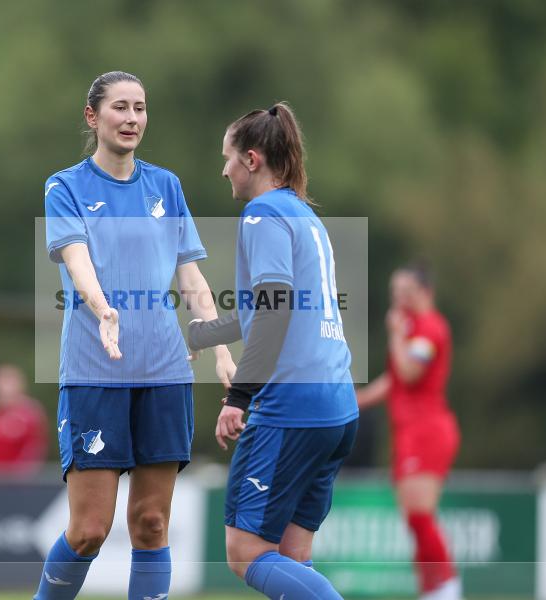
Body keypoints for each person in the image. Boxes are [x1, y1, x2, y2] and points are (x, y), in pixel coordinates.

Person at [35, 70, 235, 600]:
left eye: (140, 108)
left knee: (151, 523)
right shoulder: (65, 186)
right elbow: (77, 262)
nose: (131, 119)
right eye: (120, 108)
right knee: (89, 531)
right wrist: (104, 310)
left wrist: (219, 348)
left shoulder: (165, 186)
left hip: (165, 372)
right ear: (92, 116)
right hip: (95, 371)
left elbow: (190, 277)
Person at [186, 102, 358, 599]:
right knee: (290, 557)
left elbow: (275, 308)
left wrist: (240, 396)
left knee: (245, 553)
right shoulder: (304, 215)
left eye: (229, 158)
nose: (224, 169)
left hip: (293, 408)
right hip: (336, 405)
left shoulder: (261, 214)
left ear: (253, 159)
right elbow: (265, 308)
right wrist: (201, 335)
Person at [355, 263, 461, 600]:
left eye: (406, 293)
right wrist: (356, 400)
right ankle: (431, 588)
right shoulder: (413, 330)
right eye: (395, 294)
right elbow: (394, 381)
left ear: (426, 293)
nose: (399, 300)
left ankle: (446, 585)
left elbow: (410, 372)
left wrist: (397, 333)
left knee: (419, 515)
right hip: (407, 431)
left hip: (428, 430)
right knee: (414, 518)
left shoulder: (429, 329)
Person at [0, 365, 48, 475]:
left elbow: (35, 448)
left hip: (18, 481)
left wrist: (22, 473)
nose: (3, 387)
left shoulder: (30, 413)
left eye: (8, 381)